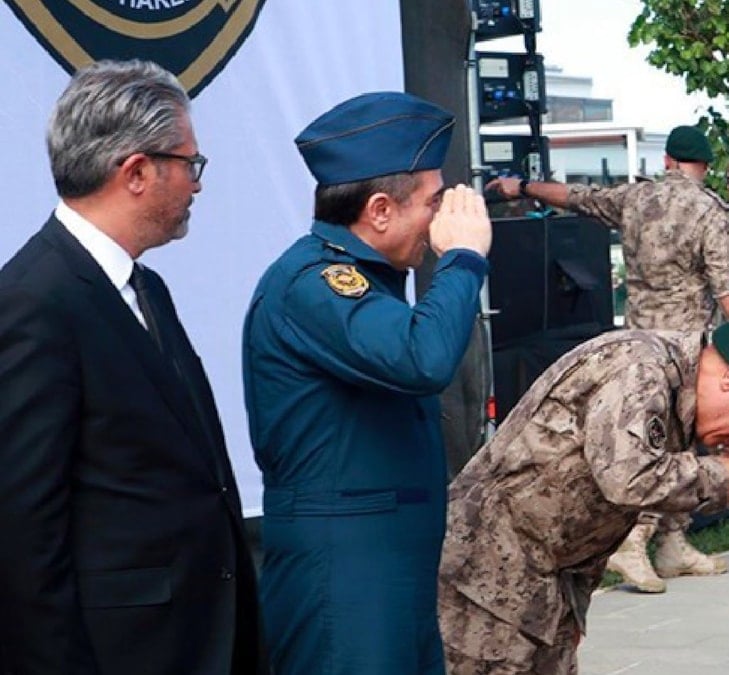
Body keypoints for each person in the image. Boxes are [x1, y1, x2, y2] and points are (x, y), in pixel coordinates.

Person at [0, 59, 265, 674]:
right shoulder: (34, 302)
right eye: (189, 163)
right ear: (138, 171)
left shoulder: (145, 288)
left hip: (197, 639)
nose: (197, 184)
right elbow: (22, 533)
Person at [242, 92, 491, 674]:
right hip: (346, 583)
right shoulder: (314, 283)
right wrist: (463, 262)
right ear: (379, 210)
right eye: (433, 202)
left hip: (386, 578)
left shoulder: (368, 282)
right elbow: (421, 357)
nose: (441, 220)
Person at [439, 321, 729, 674]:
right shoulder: (640, 366)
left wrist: (728, 488)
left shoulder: (677, 391)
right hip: (485, 581)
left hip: (543, 586)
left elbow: (612, 500)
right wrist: (721, 476)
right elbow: (628, 477)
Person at [488, 125, 729, 593]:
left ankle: (672, 547)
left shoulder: (634, 199)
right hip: (686, 350)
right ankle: (636, 541)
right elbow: (727, 285)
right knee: (673, 448)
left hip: (636, 343)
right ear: (705, 166)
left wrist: (520, 187)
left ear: (668, 160)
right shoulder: (710, 211)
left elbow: (574, 197)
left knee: (652, 444)